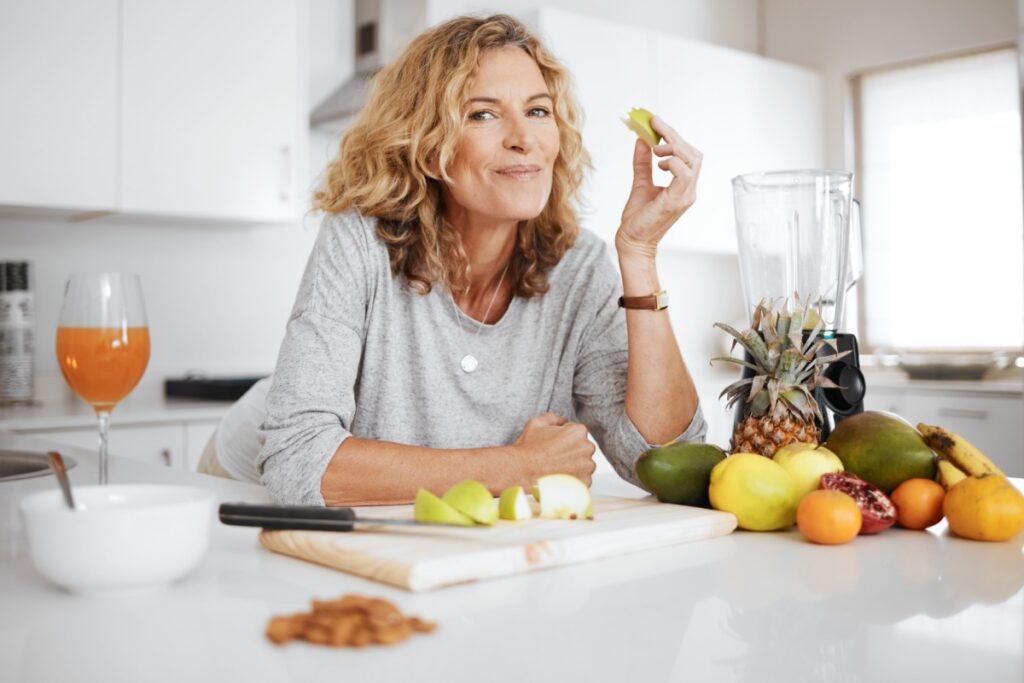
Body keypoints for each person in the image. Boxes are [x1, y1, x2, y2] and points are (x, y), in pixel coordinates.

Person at [206, 14, 707, 505]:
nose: (523, 138)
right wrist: (516, 467)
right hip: (245, 482)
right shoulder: (358, 240)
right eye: (482, 114)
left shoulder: (580, 268)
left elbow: (669, 462)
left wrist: (639, 256)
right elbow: (297, 462)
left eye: (537, 110)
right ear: (428, 150)